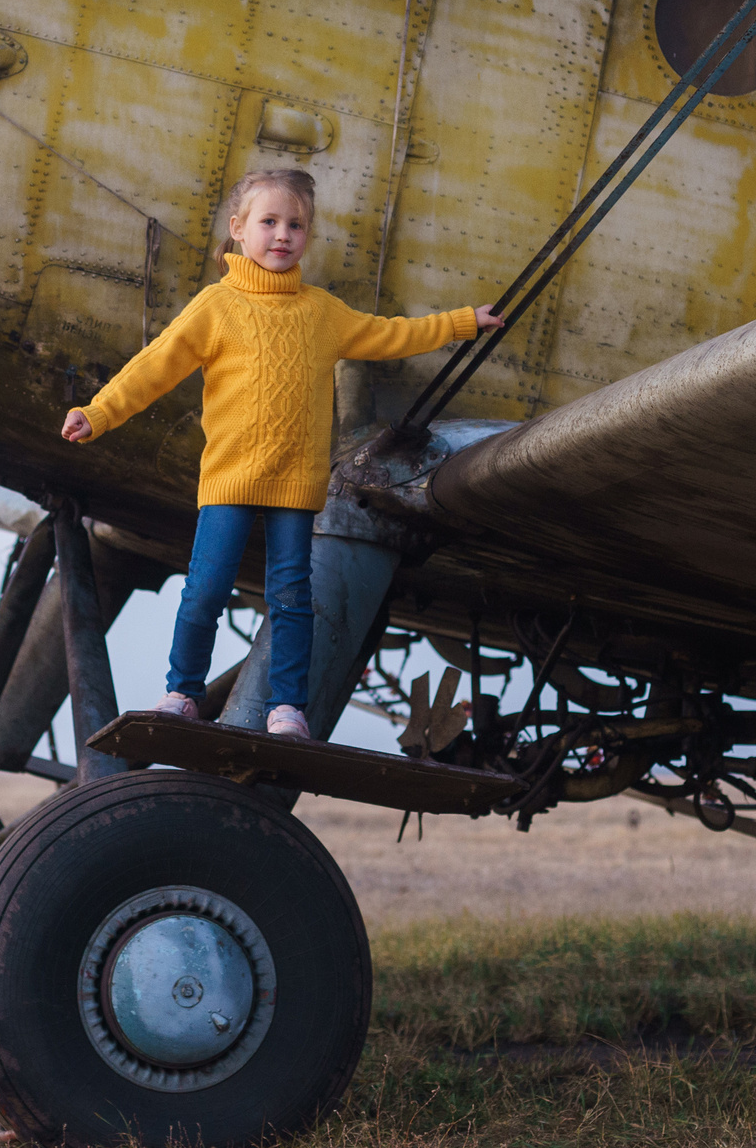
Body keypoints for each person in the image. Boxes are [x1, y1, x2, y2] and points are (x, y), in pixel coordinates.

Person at [59, 169, 503, 738]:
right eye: (269, 222)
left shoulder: (321, 312)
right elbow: (155, 366)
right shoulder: (215, 307)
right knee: (205, 591)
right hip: (230, 480)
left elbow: (391, 334)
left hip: (294, 484)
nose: (283, 234)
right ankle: (182, 692)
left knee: (292, 598)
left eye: (296, 225)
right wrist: (98, 412)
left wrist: (465, 321)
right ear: (238, 230)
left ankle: (285, 708)